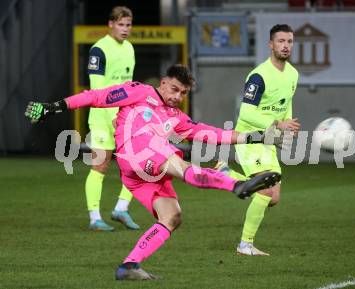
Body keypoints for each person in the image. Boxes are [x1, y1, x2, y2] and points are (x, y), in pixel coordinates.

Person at [25, 64, 284, 280]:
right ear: (162, 83)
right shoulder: (140, 92)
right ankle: (235, 185)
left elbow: (215, 134)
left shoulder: (177, 117)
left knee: (172, 216)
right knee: (178, 162)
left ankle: (130, 266)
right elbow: (96, 96)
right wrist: (53, 107)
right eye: (174, 89)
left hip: (138, 175)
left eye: (182, 93)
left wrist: (258, 137)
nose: (176, 96)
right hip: (138, 151)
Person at [215, 24, 301, 256]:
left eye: (290, 41)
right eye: (281, 41)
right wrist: (276, 124)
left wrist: (287, 126)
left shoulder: (292, 74)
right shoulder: (259, 75)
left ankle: (227, 175)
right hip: (250, 139)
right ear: (271, 45)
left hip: (269, 140)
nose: (286, 45)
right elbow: (246, 113)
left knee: (273, 199)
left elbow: (285, 103)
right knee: (264, 192)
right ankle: (245, 244)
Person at [86, 6, 138, 231]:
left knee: (138, 164)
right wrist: (113, 116)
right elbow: (97, 91)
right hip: (101, 117)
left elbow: (129, 86)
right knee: (100, 166)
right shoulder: (98, 50)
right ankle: (94, 218)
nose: (125, 29)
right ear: (111, 24)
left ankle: (121, 208)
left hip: (124, 115)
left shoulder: (129, 48)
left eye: (128, 25)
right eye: (121, 24)